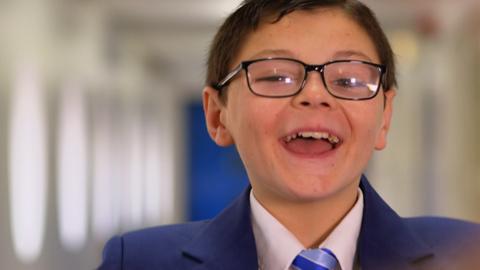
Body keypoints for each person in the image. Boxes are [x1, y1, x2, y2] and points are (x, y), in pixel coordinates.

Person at [97, 0, 480, 269]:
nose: (315, 95)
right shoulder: (137, 261)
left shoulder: (465, 254)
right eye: (276, 76)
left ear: (384, 117)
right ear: (217, 115)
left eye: (348, 79)